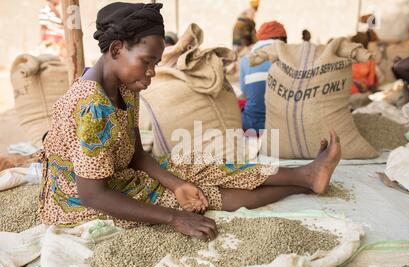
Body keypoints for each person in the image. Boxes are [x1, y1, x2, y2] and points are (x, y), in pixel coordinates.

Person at [38, 2, 342, 242]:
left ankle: (305, 174)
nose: (153, 72)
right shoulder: (92, 106)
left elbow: (136, 153)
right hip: (81, 198)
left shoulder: (124, 89)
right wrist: (174, 218)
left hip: (119, 173)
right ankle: (303, 183)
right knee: (200, 197)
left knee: (199, 167)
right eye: (147, 61)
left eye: (156, 63)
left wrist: (177, 182)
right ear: (117, 49)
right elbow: (94, 193)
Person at [239, 21, 287, 132]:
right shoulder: (285, 57)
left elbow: (245, 94)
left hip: (251, 123)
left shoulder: (245, 60)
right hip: (277, 124)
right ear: (280, 39)